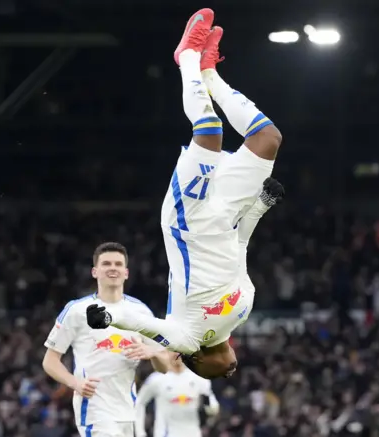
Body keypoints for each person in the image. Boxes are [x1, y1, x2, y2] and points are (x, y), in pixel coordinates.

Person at [86, 8, 284, 380]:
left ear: (196, 363)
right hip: (227, 215)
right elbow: (239, 248)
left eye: (221, 374)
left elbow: (143, 323)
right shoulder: (242, 311)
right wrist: (261, 205)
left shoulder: (188, 339)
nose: (231, 370)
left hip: (187, 221)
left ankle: (187, 56)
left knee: (208, 131)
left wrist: (108, 316)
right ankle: (209, 71)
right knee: (268, 139)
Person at [43, 242, 173, 437]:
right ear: (95, 271)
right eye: (106, 264)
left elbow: (165, 367)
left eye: (118, 264)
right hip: (94, 408)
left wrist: (152, 353)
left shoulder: (141, 311)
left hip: (127, 410)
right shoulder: (76, 310)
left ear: (126, 272)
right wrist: (75, 383)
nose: (113, 268)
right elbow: (50, 361)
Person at [134, 355, 219, 437]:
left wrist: (209, 406)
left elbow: (213, 406)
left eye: (180, 350)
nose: (176, 354)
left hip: (193, 433)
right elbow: (139, 403)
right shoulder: (156, 379)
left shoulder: (199, 378)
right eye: (172, 350)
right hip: (166, 434)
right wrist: (140, 433)